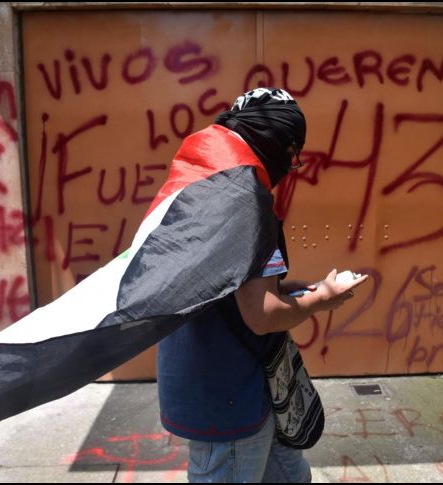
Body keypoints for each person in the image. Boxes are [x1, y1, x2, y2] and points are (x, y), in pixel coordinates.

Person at [156, 87, 369, 483]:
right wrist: (323, 299)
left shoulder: (197, 188)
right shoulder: (245, 202)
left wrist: (294, 288)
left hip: (227, 386)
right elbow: (261, 315)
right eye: (293, 153)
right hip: (229, 397)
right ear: (279, 145)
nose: (292, 165)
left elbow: (229, 290)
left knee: (290, 477)